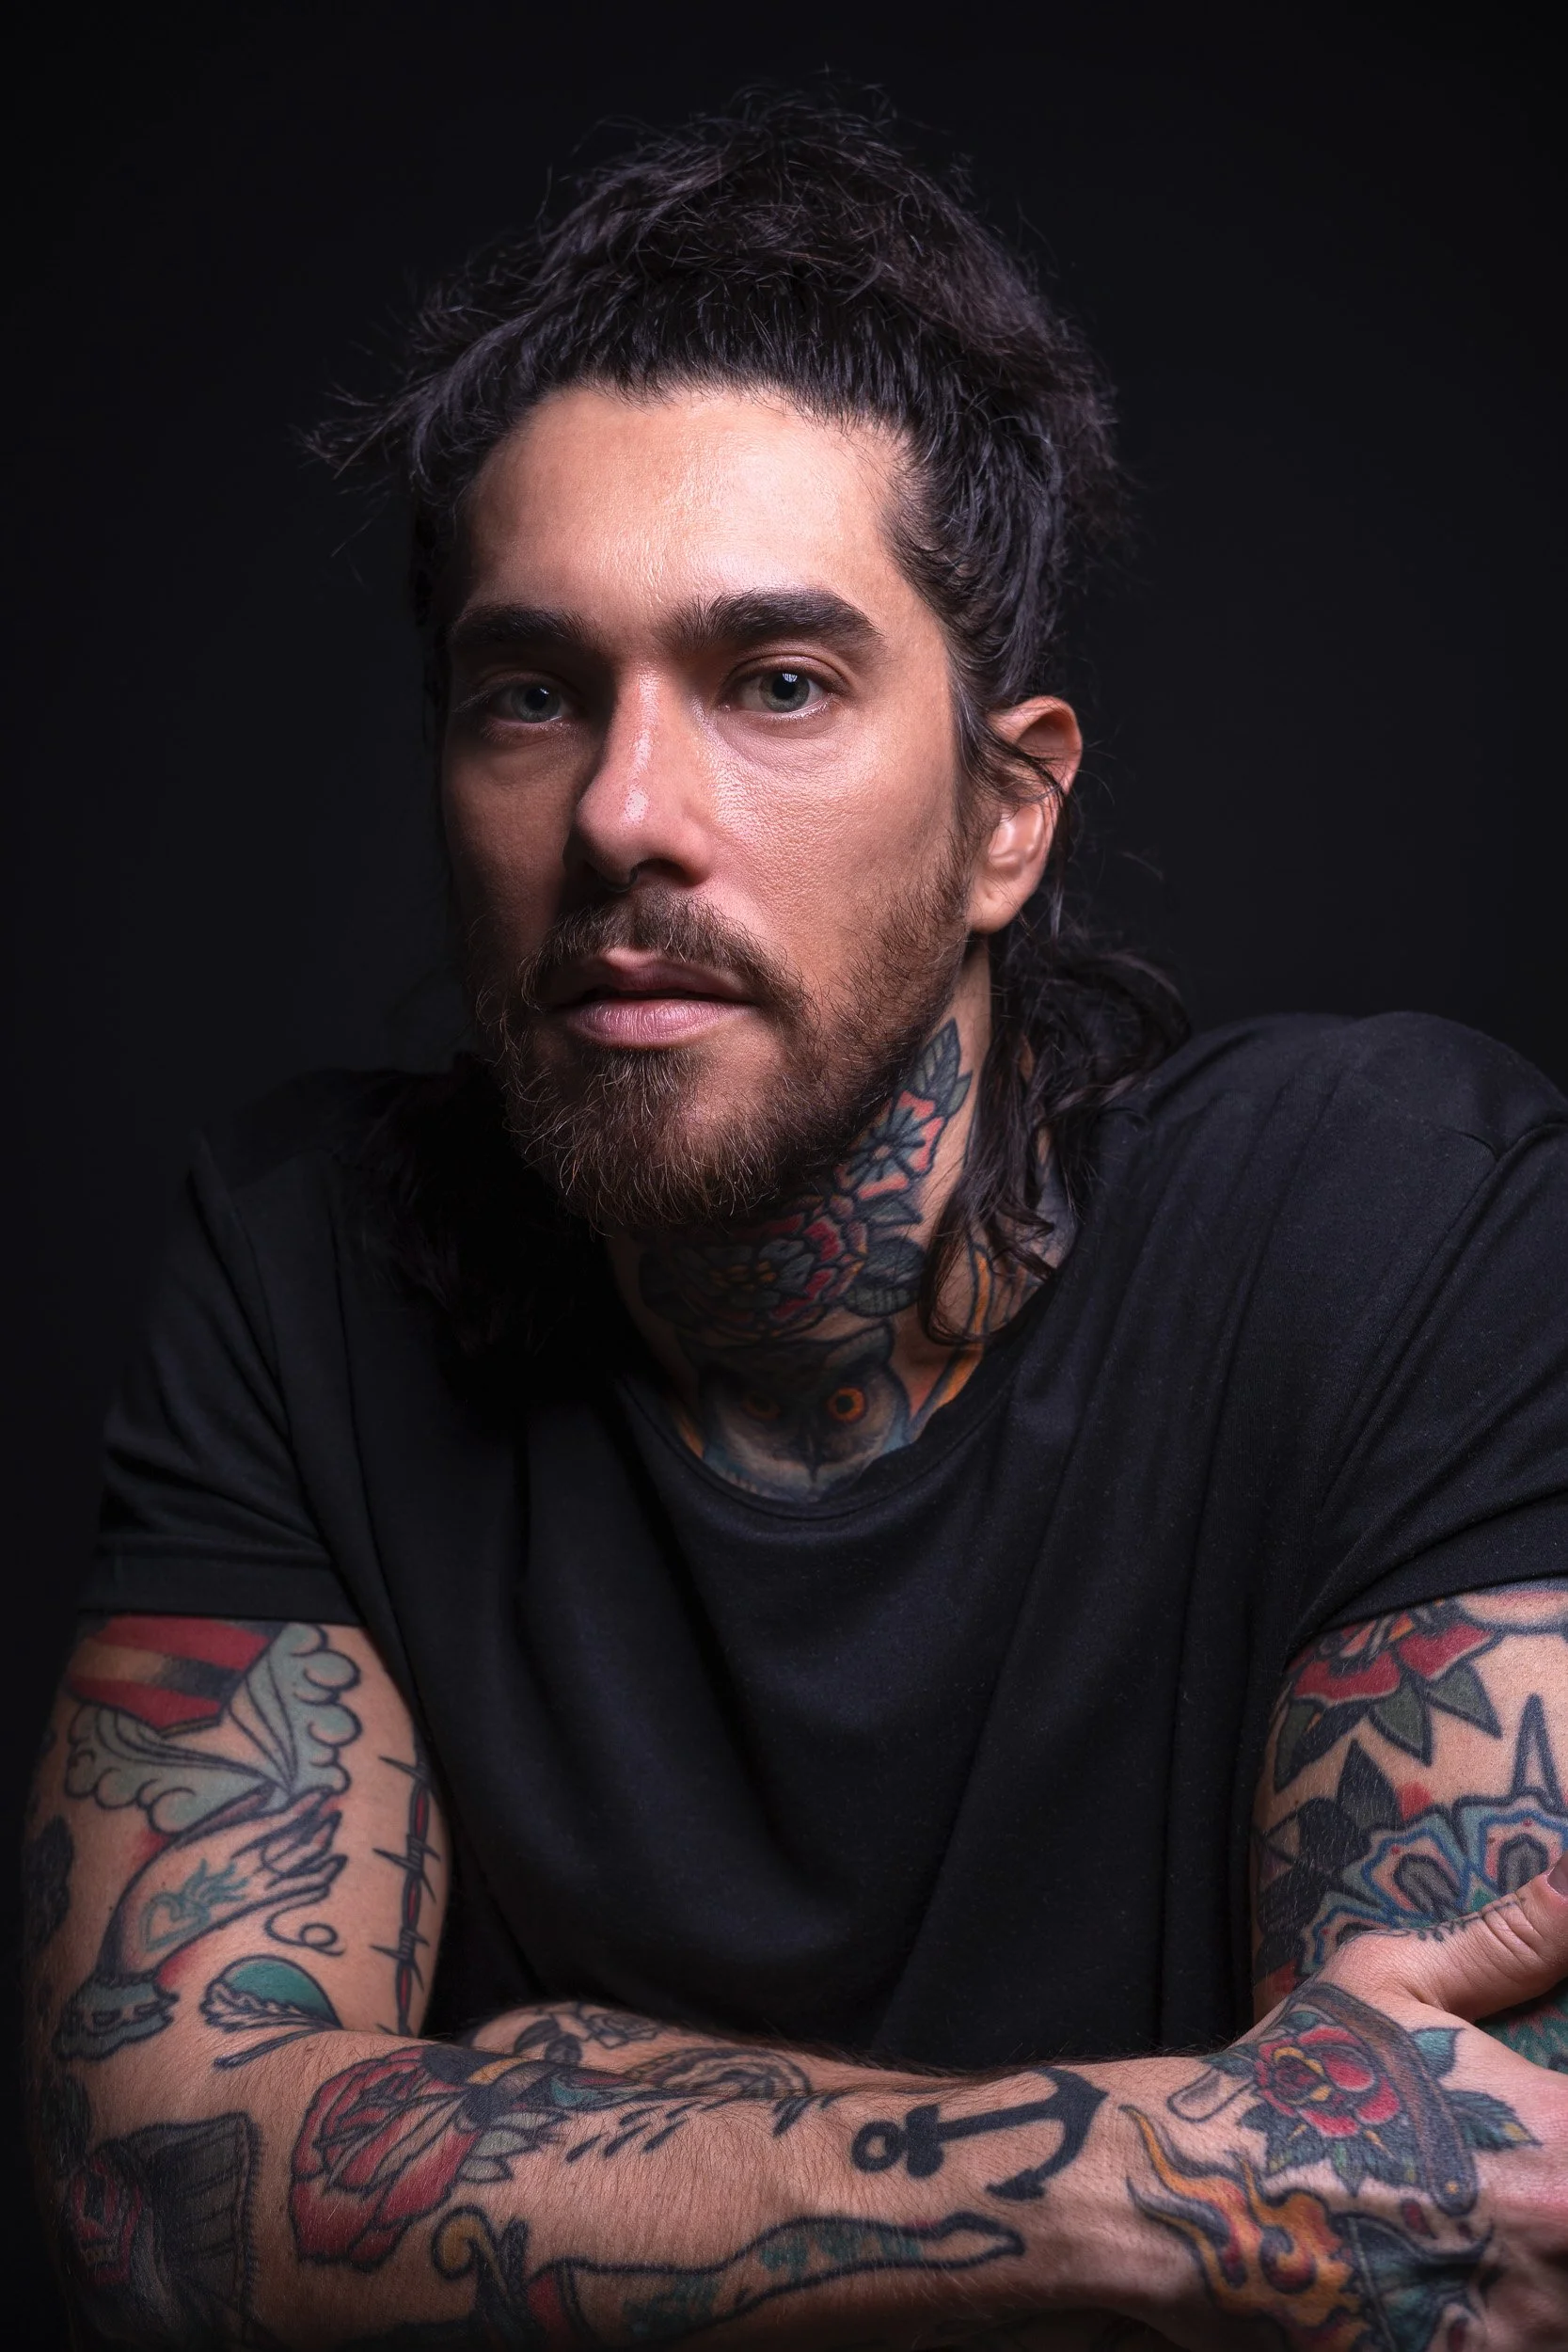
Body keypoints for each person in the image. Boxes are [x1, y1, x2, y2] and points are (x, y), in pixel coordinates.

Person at [23, 96, 1568, 2350]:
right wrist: (1127, 2196)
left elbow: (1478, 2220)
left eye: (775, 683)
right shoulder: (299, 1262)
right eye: (530, 691)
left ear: (1005, 809)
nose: (627, 812)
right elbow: (162, 2188)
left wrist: (542, 2105)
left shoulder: (1393, 1222)